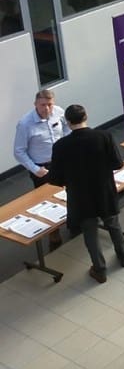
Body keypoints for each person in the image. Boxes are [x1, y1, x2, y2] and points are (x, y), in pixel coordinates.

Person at [48, 104, 124, 284]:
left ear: (68, 122)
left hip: (80, 197)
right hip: (104, 191)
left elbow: (54, 178)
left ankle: (100, 270)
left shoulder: (61, 146)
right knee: (113, 224)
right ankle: (123, 256)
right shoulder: (104, 136)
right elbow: (118, 163)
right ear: (86, 117)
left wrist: (68, 181)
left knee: (90, 234)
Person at [13, 89, 68, 249]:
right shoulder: (25, 124)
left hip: (61, 162)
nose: (47, 108)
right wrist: (35, 169)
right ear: (35, 104)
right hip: (42, 167)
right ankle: (54, 235)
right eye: (43, 105)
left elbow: (67, 128)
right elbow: (19, 151)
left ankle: (73, 221)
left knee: (68, 192)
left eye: (50, 104)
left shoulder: (59, 112)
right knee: (48, 201)